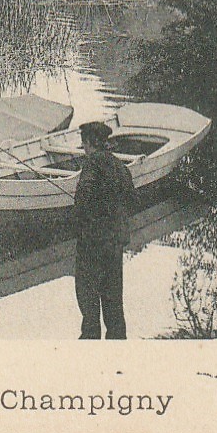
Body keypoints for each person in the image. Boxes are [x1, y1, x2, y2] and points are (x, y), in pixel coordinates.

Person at [73, 120, 133, 340]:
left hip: (92, 246)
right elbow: (131, 199)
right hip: (115, 245)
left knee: (89, 306)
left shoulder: (91, 165)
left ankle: (90, 355)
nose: (84, 147)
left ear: (89, 142)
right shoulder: (120, 166)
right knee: (114, 305)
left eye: (84, 143)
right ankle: (117, 358)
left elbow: (82, 202)